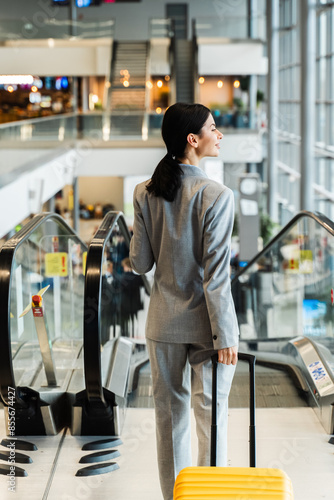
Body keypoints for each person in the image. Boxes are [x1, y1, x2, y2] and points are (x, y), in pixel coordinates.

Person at [129, 102, 239, 500]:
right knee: (211, 417)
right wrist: (226, 334)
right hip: (209, 328)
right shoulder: (216, 195)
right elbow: (216, 278)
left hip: (163, 324)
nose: (219, 134)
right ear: (193, 140)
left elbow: (139, 263)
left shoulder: (145, 192)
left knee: (169, 417)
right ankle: (208, 496)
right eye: (213, 128)